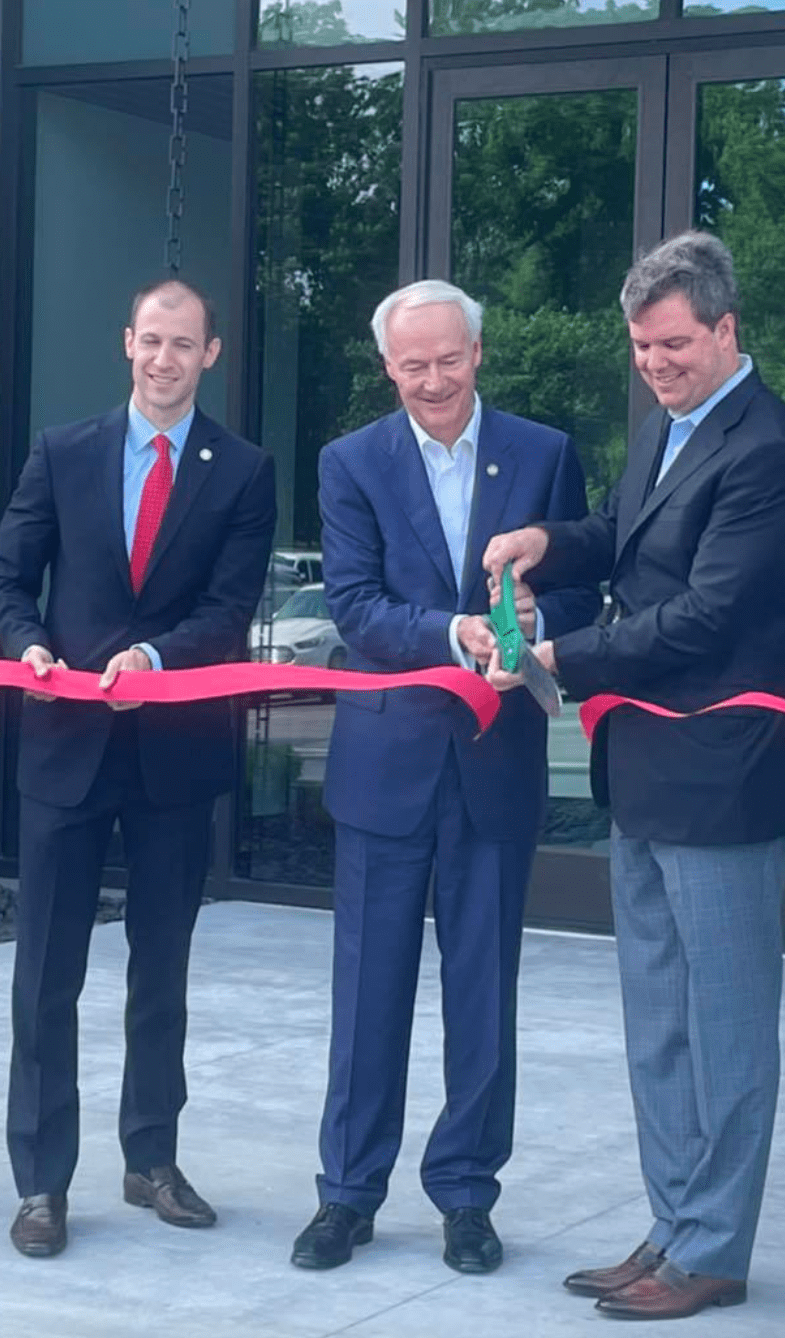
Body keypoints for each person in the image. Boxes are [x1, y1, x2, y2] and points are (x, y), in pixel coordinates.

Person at [482, 231, 785, 1321]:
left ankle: (714, 1247)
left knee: (725, 1028)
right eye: (640, 345)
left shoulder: (771, 449)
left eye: (675, 342)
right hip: (644, 772)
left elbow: (707, 614)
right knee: (659, 1022)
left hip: (723, 784)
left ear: (728, 329)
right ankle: (676, 1223)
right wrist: (547, 540)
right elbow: (625, 540)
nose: (656, 362)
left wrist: (560, 658)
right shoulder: (667, 431)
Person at [289, 280, 601, 1275]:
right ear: (389, 367)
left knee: (483, 995)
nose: (432, 380)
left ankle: (468, 1195)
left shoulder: (545, 453)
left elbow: (582, 586)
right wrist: (450, 631)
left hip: (495, 764)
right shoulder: (352, 462)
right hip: (388, 764)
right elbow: (354, 604)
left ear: (479, 352)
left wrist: (533, 630)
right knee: (366, 994)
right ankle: (348, 1193)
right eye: (412, 364)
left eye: (448, 359)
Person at [0, 278, 275, 1258]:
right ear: (127, 344)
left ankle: (150, 1158)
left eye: (183, 344)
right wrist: (25, 642)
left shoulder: (242, 471)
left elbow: (229, 611)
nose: (164, 359)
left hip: (174, 757)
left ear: (211, 354)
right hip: (64, 747)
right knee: (45, 980)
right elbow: (7, 577)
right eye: (151, 341)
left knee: (162, 973)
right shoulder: (63, 453)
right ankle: (39, 1184)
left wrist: (154, 661)